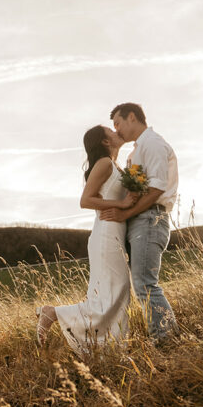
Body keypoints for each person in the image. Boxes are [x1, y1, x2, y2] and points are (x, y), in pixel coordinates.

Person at [37, 125, 136, 352]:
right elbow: (86, 200)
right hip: (106, 235)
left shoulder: (115, 165)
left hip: (113, 234)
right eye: (111, 131)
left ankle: (110, 348)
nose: (116, 131)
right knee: (113, 294)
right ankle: (53, 313)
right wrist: (121, 204)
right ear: (104, 141)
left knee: (115, 295)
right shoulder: (104, 164)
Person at [101, 102, 178, 341]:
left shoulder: (152, 143)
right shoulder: (136, 150)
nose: (116, 130)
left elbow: (156, 187)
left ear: (132, 117)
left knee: (145, 284)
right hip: (141, 220)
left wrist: (124, 214)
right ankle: (167, 334)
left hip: (150, 218)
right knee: (142, 284)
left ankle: (165, 339)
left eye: (118, 123)